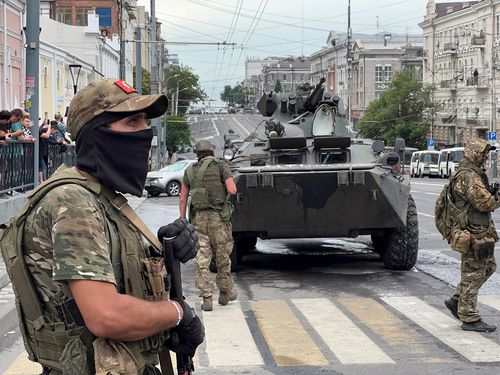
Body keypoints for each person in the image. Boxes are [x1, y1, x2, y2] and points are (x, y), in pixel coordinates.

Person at [11, 79, 204, 374]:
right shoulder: (73, 201)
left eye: (143, 121)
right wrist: (177, 313)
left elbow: (121, 274)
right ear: (96, 134)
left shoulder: (100, 197)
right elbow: (106, 315)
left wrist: (163, 254)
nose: (144, 132)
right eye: (131, 121)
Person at [444, 137, 500, 332]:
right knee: (473, 273)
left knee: (488, 267)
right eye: (483, 153)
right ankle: (469, 317)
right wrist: (497, 195)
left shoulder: (471, 173)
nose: (485, 157)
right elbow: (485, 203)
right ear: (475, 154)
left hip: (478, 230)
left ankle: (457, 299)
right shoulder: (469, 176)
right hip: (471, 232)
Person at [179, 140, 238, 311]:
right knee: (222, 256)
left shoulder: (189, 170)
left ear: (197, 153)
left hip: (198, 219)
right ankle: (225, 292)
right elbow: (232, 189)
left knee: (202, 259)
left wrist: (182, 219)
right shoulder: (221, 166)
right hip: (218, 219)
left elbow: (183, 198)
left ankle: (206, 298)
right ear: (212, 151)